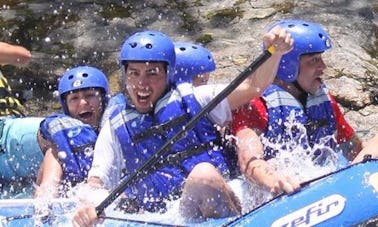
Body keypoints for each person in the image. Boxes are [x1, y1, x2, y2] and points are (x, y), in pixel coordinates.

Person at [72, 28, 293, 226]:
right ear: (125, 75)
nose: (142, 83)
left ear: (168, 74)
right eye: (134, 73)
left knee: (202, 177)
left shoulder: (196, 97)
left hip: (226, 197)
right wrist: (90, 208)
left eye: (152, 73)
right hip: (166, 218)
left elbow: (253, 86)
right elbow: (96, 182)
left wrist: (274, 52)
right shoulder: (115, 124)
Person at [231, 19, 365, 195]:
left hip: (322, 183)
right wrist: (273, 181)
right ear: (288, 66)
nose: (323, 67)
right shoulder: (255, 106)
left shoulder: (325, 100)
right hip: (278, 194)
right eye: (314, 60)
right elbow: (250, 162)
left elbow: (356, 150)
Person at [34, 66, 110, 199]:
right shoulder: (58, 149)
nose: (82, 102)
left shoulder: (118, 134)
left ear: (103, 100)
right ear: (66, 107)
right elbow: (48, 188)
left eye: (90, 95)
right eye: (74, 98)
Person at [0, 42, 44, 198]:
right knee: (57, 133)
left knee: (57, 134)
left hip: (10, 134)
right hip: (7, 133)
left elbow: (23, 57)